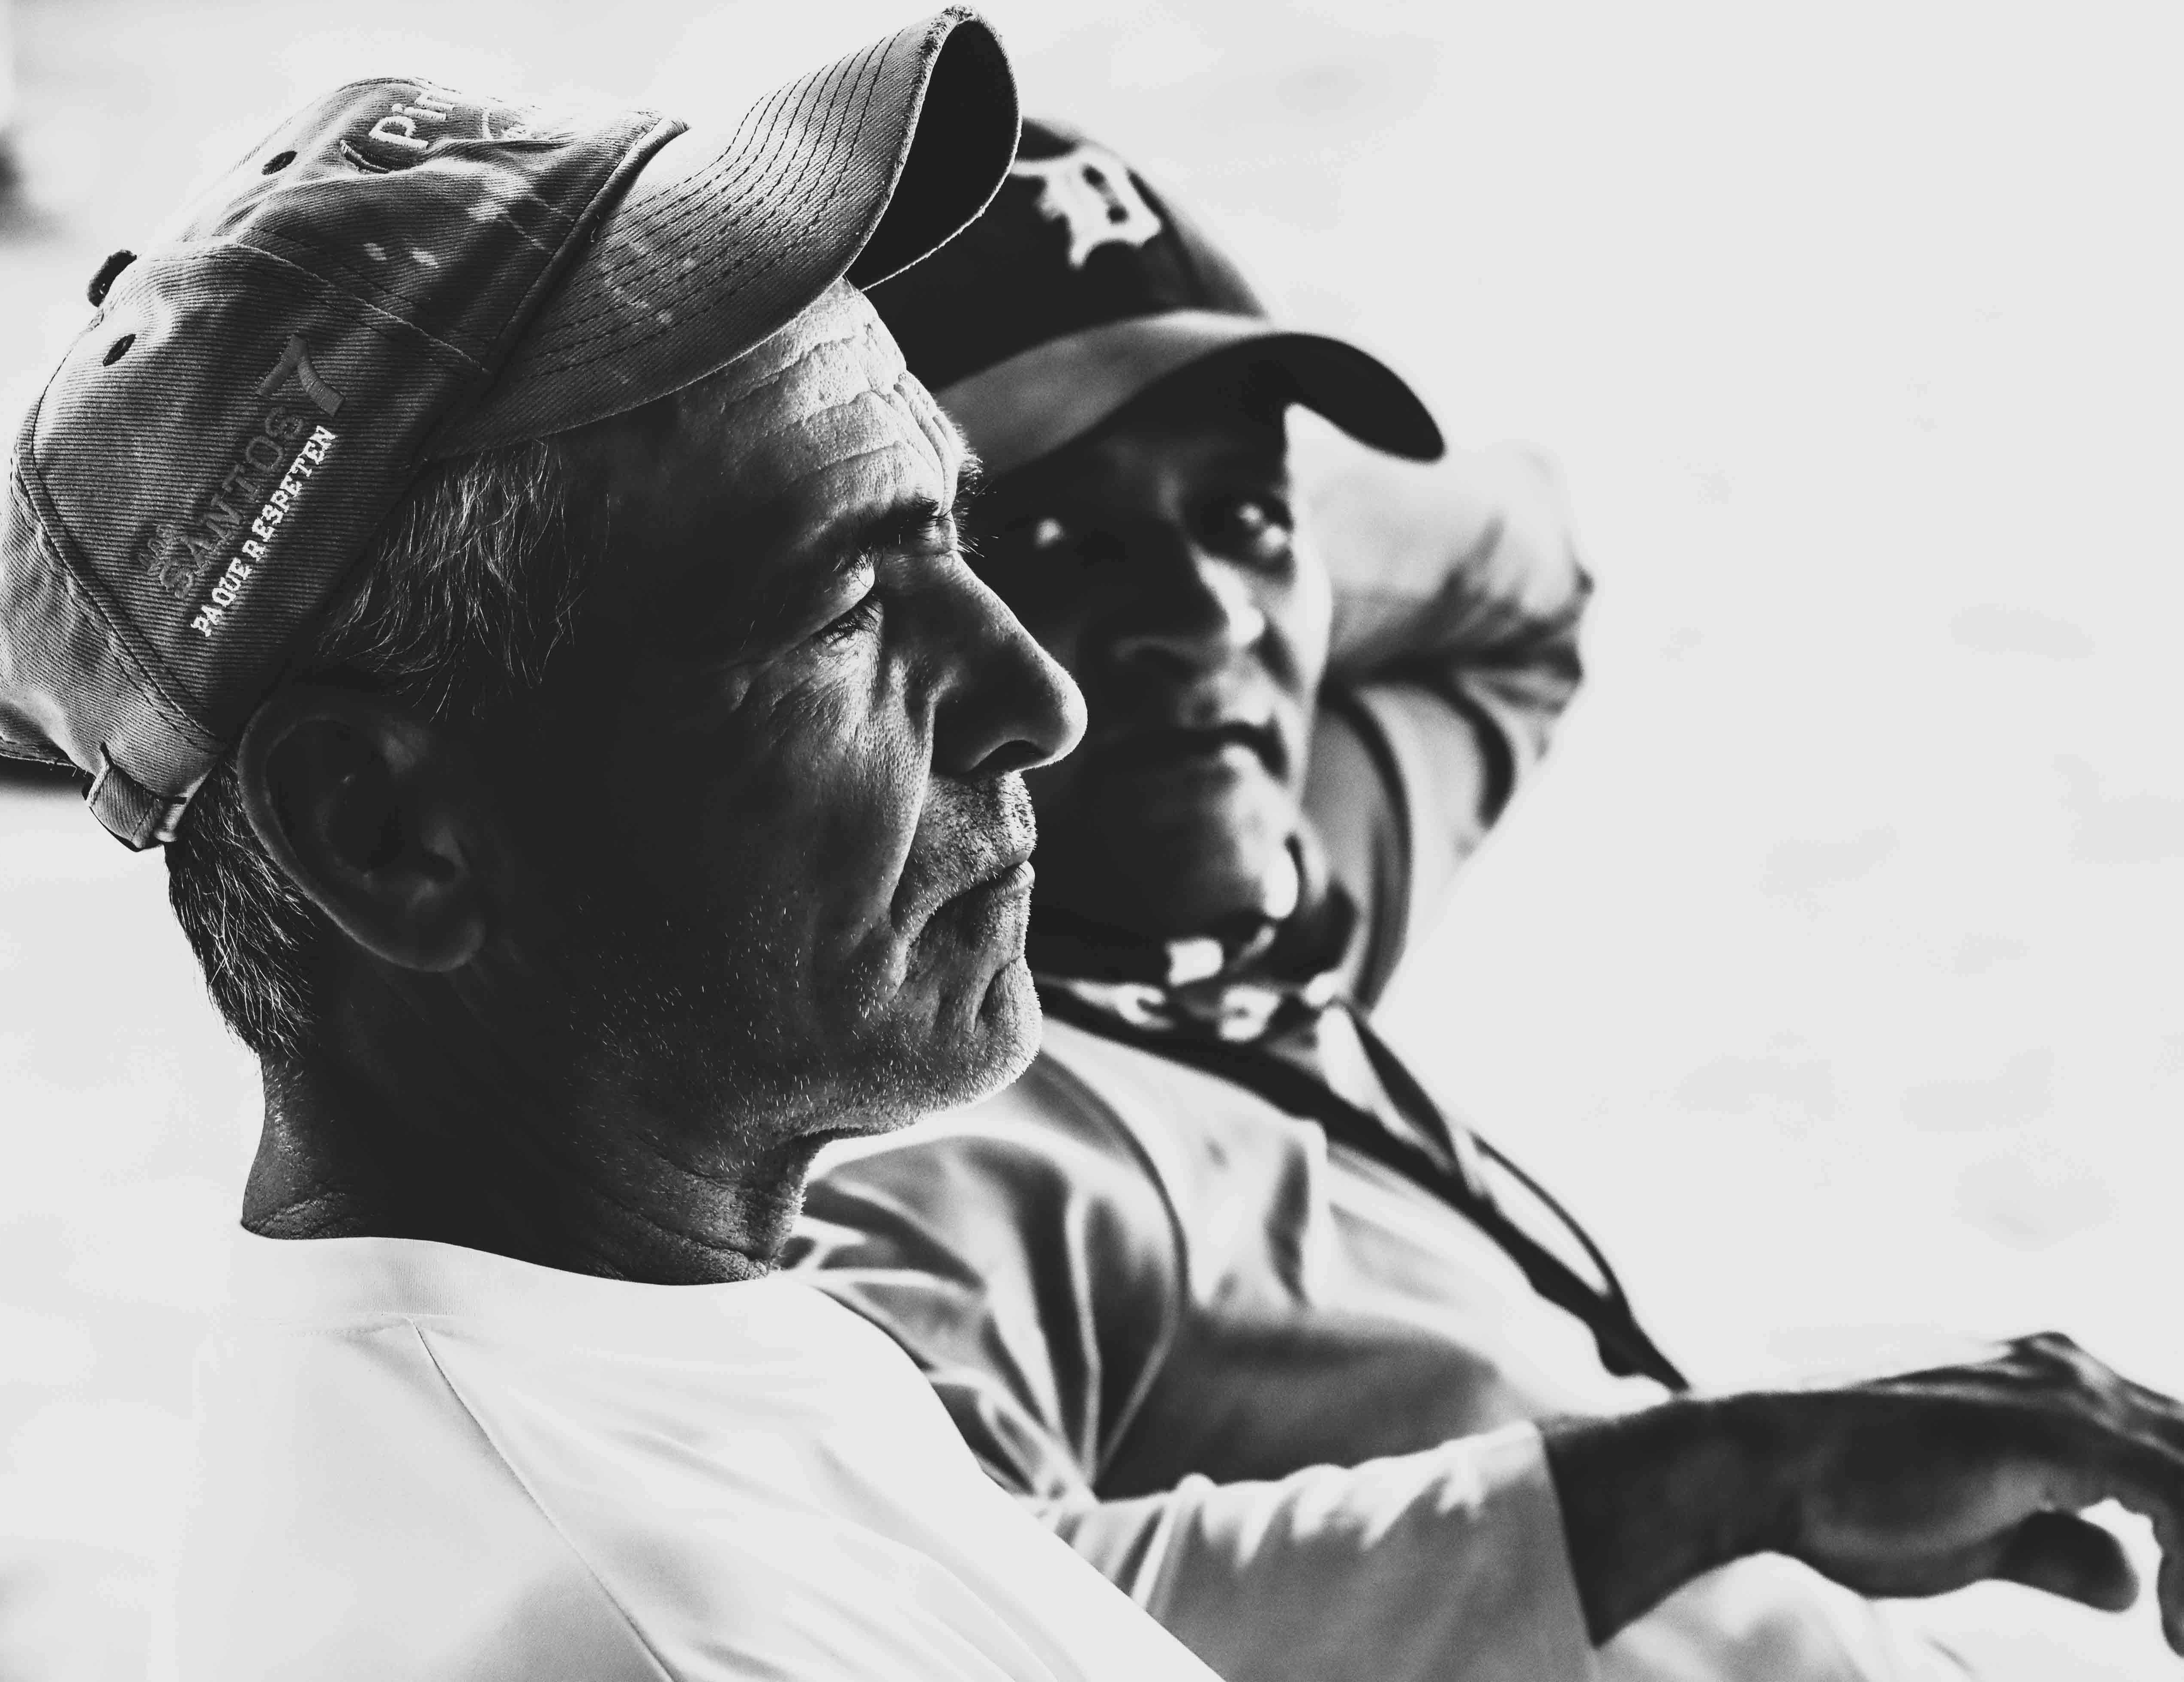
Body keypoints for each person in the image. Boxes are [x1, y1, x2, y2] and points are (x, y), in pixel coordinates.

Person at [789, 118, 2184, 1681]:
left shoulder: (1280, 910)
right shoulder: (955, 1149)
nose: (1207, 615)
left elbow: (1527, 588)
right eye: (1051, 538)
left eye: (1250, 522)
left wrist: (1211, 505)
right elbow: (902, 1625)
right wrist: (1739, 1476)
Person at [0, 20, 1235, 1678]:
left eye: (954, 538)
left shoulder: (624, 1347)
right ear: (384, 831)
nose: (1038, 699)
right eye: (849, 605)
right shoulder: (639, 1619)